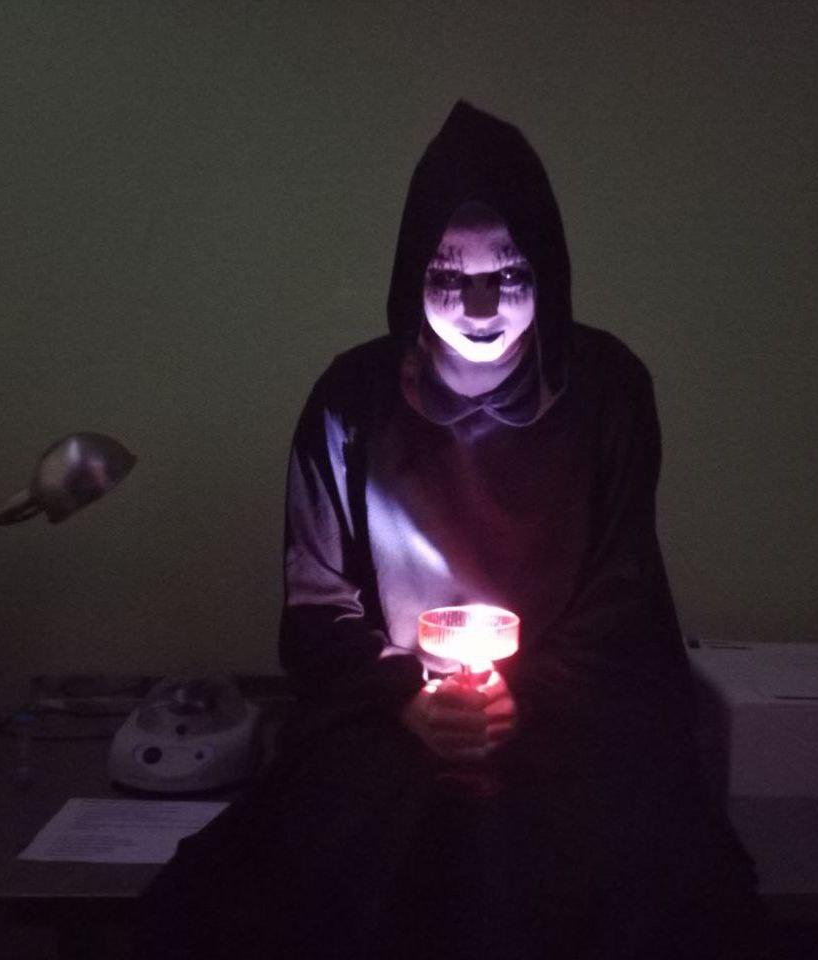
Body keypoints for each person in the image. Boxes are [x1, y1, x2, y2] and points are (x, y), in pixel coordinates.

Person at [138, 101, 763, 960]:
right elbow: (317, 601)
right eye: (447, 272)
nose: (478, 304)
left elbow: (623, 594)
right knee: (332, 851)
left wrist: (519, 695)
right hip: (388, 714)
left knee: (629, 864)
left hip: (576, 717)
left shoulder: (609, 389)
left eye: (507, 271)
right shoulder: (352, 398)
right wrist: (412, 698)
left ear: (548, 267)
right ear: (410, 272)